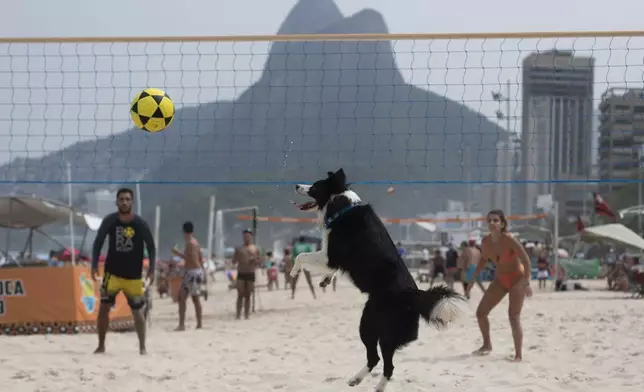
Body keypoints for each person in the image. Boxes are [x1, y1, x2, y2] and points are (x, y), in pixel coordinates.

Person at [91, 188, 156, 355]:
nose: (124, 202)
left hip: (133, 275)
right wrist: (93, 266)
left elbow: (151, 246)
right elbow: (98, 242)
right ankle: (101, 345)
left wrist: (152, 270)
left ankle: (142, 347)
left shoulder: (139, 223)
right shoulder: (110, 221)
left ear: (132, 202)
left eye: (127, 199)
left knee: (137, 311)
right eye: (121, 199)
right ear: (117, 202)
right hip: (112, 274)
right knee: (104, 308)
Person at [466, 209, 532, 362]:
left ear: (502, 224)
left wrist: (527, 282)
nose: (492, 223)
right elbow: (483, 260)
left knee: (513, 316)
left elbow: (526, 260)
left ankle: (518, 356)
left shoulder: (509, 239)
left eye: (495, 220)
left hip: (517, 279)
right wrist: (472, 280)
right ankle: (487, 345)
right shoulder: (486, 242)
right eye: (489, 220)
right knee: (481, 313)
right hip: (501, 279)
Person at [171, 221, 206, 331]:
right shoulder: (196, 243)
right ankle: (195, 324)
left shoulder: (190, 244)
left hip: (192, 273)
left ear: (184, 232)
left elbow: (190, 259)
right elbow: (200, 259)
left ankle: (185, 324)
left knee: (190, 298)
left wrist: (177, 253)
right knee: (187, 298)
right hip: (195, 272)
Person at [231, 229, 259, 320]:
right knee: (240, 294)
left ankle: (247, 315)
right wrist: (237, 256)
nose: (246, 238)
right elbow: (233, 261)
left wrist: (255, 260)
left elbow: (260, 262)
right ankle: (238, 314)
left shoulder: (255, 248)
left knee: (248, 295)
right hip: (241, 273)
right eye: (244, 236)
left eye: (248, 236)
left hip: (250, 273)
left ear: (251, 237)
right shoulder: (239, 248)